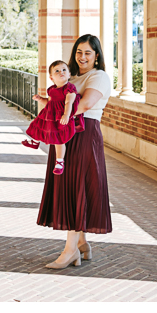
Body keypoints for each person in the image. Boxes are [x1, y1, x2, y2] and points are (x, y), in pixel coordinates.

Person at [36, 33, 112, 269]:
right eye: (79, 52)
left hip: (84, 134)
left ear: (97, 55)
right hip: (65, 135)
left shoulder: (99, 76)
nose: (82, 57)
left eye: (88, 52)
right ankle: (81, 244)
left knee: (76, 188)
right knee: (70, 187)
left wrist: (58, 112)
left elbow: (86, 104)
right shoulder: (71, 77)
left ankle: (70, 251)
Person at [22, 60, 84, 175]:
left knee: (59, 140)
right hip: (50, 116)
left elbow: (69, 103)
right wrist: (40, 99)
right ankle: (35, 142)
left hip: (61, 118)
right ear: (51, 78)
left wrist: (66, 115)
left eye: (64, 70)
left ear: (69, 74)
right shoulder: (52, 89)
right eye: (57, 71)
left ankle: (60, 161)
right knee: (37, 125)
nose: (61, 72)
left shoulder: (69, 88)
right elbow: (49, 102)